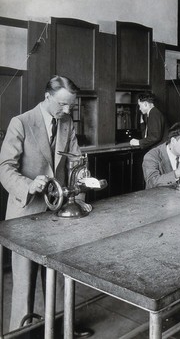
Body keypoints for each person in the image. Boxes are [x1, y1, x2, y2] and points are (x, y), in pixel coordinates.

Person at [0, 76, 92, 337]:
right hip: (25, 214)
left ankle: (64, 327)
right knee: (24, 284)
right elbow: (4, 168)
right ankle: (20, 333)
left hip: (56, 212)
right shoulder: (21, 122)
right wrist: (29, 185)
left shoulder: (67, 123)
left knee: (60, 278)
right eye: (62, 104)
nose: (66, 111)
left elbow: (76, 162)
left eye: (70, 107)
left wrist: (83, 184)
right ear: (47, 96)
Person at [142, 122, 180, 189]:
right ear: (173, 141)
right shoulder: (152, 156)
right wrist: (177, 173)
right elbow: (152, 182)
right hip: (158, 197)